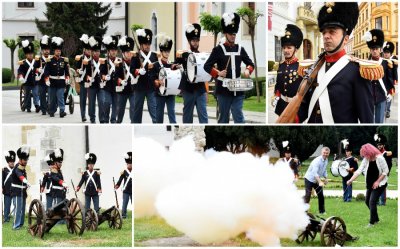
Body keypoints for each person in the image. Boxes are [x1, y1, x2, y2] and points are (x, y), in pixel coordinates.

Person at [297, 2, 375, 123]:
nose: (326, 36)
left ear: (345, 39)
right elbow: (304, 106)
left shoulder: (357, 71)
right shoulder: (315, 67)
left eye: (332, 31)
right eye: (324, 32)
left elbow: (367, 119)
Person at [204, 12, 255, 123]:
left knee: (238, 115)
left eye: (235, 34)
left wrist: (247, 70)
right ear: (226, 34)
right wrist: (218, 73)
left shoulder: (240, 49)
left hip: (238, 89)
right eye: (231, 33)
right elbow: (206, 66)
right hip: (223, 90)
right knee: (223, 119)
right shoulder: (218, 50)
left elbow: (251, 64)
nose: (233, 36)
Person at [347, 143, 389, 227]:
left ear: (370, 152)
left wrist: (377, 182)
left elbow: (386, 171)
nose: (365, 156)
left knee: (372, 202)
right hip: (370, 184)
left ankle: (371, 223)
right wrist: (350, 180)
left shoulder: (380, 158)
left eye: (366, 154)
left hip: (380, 184)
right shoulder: (366, 159)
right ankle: (376, 219)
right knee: (367, 202)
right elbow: (359, 171)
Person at [177, 23, 209, 123]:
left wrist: (206, 91)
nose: (195, 43)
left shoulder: (202, 56)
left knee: (203, 116)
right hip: (188, 89)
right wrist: (175, 65)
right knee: (187, 116)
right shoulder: (184, 54)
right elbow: (174, 64)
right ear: (189, 41)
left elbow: (205, 74)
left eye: (197, 41)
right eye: (193, 41)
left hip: (200, 89)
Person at [273, 24, 303, 116]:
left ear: (296, 49)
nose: (286, 50)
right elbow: (278, 85)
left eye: (289, 48)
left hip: (295, 108)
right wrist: (276, 96)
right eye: (284, 47)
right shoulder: (280, 66)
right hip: (282, 106)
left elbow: (304, 91)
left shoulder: (301, 66)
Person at [364, 29, 394, 123]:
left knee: (379, 121)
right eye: (373, 49)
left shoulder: (385, 63)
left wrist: (390, 92)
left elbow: (389, 79)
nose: (374, 51)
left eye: (376, 49)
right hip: (369, 96)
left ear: (380, 49)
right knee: (369, 121)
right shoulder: (365, 63)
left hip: (381, 95)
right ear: (370, 50)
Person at [131, 28, 158, 123]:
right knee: (137, 110)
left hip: (151, 87)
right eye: (146, 44)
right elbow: (132, 70)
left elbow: (156, 70)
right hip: (139, 87)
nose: (148, 46)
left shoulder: (154, 56)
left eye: (149, 44)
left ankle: (157, 125)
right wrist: (138, 71)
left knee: (154, 109)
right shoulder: (135, 56)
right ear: (141, 45)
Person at [152, 33, 180, 123]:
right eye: (165, 51)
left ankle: (174, 128)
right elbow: (152, 79)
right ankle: (159, 129)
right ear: (161, 52)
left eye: (168, 51)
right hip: (160, 94)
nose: (167, 53)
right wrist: (158, 82)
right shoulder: (156, 64)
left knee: (171, 112)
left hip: (170, 93)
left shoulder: (171, 64)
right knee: (159, 114)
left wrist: (178, 68)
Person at [44, 37, 70, 118]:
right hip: (52, 81)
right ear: (54, 51)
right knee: (52, 98)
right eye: (57, 51)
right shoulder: (49, 60)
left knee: (60, 97)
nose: (58, 52)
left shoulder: (64, 60)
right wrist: (47, 79)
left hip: (61, 82)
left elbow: (67, 71)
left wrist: (67, 79)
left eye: (59, 51)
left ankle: (62, 111)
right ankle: (52, 111)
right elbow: (46, 71)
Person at [101, 35, 123, 123]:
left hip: (116, 87)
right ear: (109, 51)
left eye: (115, 50)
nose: (114, 52)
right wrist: (104, 77)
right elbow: (101, 73)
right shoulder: (105, 61)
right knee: (107, 103)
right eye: (112, 50)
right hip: (107, 87)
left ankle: (113, 119)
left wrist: (122, 80)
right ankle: (106, 118)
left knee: (115, 105)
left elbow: (122, 74)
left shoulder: (120, 61)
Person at [304, 147, 330, 214]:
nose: (325, 154)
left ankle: (322, 211)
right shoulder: (317, 161)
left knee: (321, 195)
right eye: (324, 153)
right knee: (308, 195)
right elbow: (314, 173)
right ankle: (304, 212)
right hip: (309, 179)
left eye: (327, 153)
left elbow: (324, 170)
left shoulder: (326, 160)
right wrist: (320, 182)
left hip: (316, 180)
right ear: (321, 153)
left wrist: (326, 178)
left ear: (328, 154)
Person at [116, 36, 135, 123]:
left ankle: (133, 124)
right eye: (127, 52)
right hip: (122, 91)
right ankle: (118, 123)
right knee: (120, 111)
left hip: (132, 90)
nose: (129, 54)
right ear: (123, 53)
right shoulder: (119, 63)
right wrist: (120, 81)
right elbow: (115, 77)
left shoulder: (135, 62)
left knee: (133, 109)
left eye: (130, 52)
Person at [10, 147, 30, 230]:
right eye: (24, 160)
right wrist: (25, 180)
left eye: (26, 159)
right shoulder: (17, 167)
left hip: (23, 191)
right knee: (18, 209)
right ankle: (16, 226)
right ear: (20, 159)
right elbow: (19, 175)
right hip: (17, 191)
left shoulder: (23, 167)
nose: (26, 161)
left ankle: (20, 224)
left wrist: (26, 184)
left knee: (22, 208)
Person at [87, 36, 105, 123]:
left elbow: (105, 72)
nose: (97, 53)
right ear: (92, 52)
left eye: (98, 51)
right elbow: (85, 74)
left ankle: (101, 119)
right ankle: (92, 118)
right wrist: (88, 77)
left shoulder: (103, 62)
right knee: (91, 104)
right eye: (95, 51)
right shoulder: (88, 62)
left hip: (100, 85)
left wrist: (105, 77)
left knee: (101, 102)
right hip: (91, 86)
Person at [17, 40, 39, 113]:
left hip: (35, 81)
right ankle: (28, 107)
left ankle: (36, 106)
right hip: (27, 82)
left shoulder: (35, 62)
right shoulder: (23, 63)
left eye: (31, 54)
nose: (30, 55)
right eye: (29, 54)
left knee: (36, 94)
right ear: (26, 55)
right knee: (28, 95)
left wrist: (39, 71)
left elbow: (38, 69)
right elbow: (20, 71)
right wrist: (21, 77)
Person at [75, 34, 92, 122]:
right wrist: (79, 71)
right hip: (83, 81)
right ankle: (83, 115)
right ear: (84, 50)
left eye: (90, 49)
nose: (89, 51)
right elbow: (76, 68)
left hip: (91, 82)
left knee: (91, 100)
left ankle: (90, 114)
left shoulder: (93, 59)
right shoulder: (80, 58)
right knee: (83, 99)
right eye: (88, 49)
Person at [374, 133, 392, 205]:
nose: (379, 146)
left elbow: (389, 164)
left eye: (380, 145)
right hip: (377, 173)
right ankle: (377, 200)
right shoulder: (376, 153)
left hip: (384, 173)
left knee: (383, 187)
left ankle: (383, 201)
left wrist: (387, 172)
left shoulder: (386, 153)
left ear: (383, 145)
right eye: (378, 145)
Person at [36, 35, 51, 115]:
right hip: (41, 81)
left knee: (50, 95)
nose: (46, 51)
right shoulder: (39, 59)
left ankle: (49, 108)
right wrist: (38, 69)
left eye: (48, 50)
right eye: (45, 50)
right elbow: (34, 68)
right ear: (42, 51)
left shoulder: (51, 59)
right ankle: (43, 109)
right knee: (42, 95)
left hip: (49, 80)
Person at [115, 152, 132, 219]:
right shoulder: (124, 172)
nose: (130, 165)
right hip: (126, 191)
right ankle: (124, 215)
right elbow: (120, 180)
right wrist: (117, 185)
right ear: (126, 164)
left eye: (131, 164)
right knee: (125, 203)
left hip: (133, 191)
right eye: (128, 164)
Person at [382, 41, 398, 118]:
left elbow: (395, 71)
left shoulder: (393, 62)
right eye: (385, 52)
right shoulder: (381, 61)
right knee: (383, 97)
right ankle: (384, 110)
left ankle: (387, 111)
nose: (386, 54)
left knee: (389, 97)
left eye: (387, 52)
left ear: (390, 54)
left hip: (390, 83)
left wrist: (396, 80)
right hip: (383, 82)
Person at [2, 150, 16, 223]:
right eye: (11, 162)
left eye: (13, 162)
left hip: (14, 191)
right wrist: (1, 188)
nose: (12, 163)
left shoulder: (16, 170)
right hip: (7, 191)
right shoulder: (4, 170)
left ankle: (15, 219)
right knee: (7, 206)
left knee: (15, 205)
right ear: (8, 162)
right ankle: (6, 219)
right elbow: (2, 180)